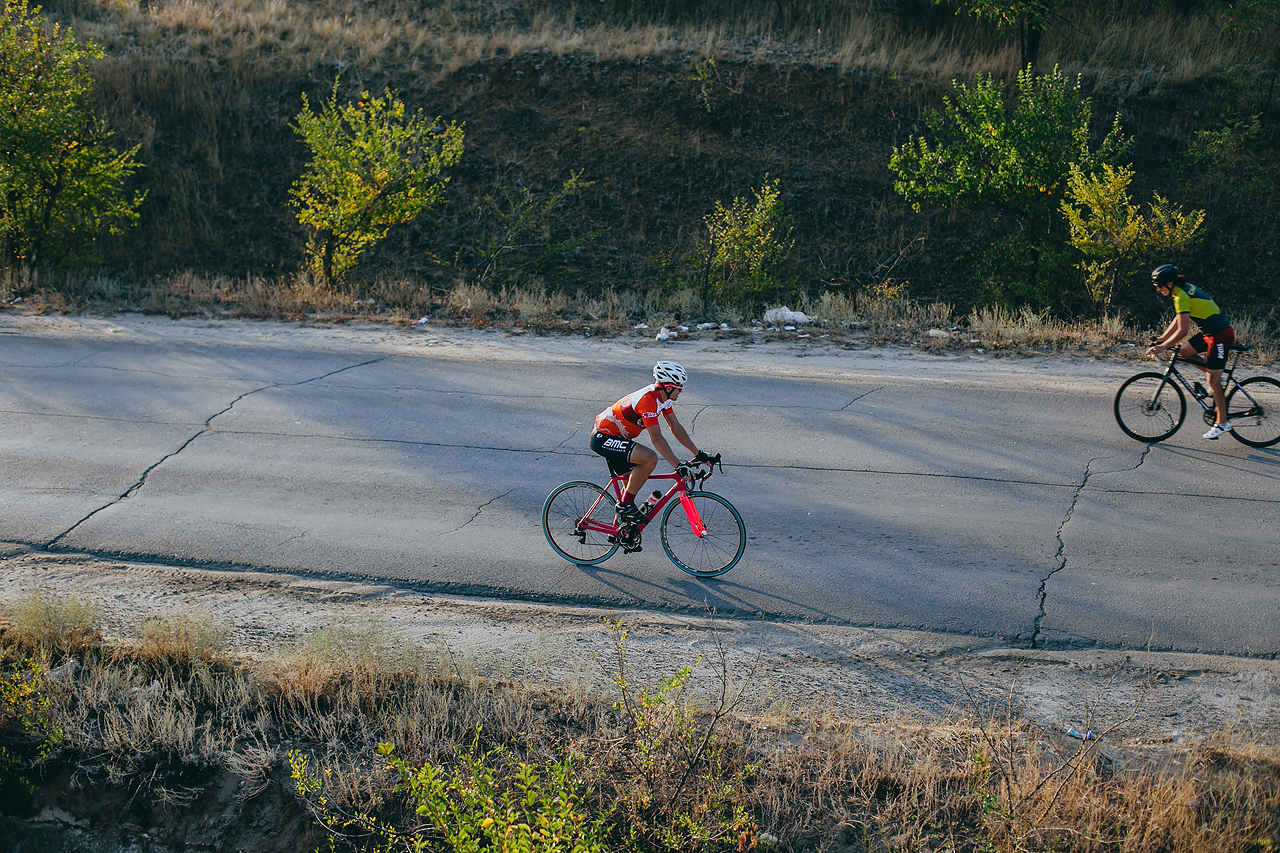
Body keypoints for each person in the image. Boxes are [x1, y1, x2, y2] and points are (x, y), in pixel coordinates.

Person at [590, 361, 706, 527]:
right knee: (650, 458)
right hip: (603, 437)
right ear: (668, 387)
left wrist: (698, 453)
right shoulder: (648, 400)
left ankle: (619, 532)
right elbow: (657, 438)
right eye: (679, 387)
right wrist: (677, 465)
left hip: (619, 439)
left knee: (630, 485)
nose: (681, 390)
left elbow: (676, 428)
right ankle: (625, 506)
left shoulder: (663, 399)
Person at [1147, 264, 1236, 439]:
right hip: (1210, 333)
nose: (1158, 290)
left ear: (1170, 283)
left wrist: (1163, 347)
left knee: (1213, 380)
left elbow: (1183, 331)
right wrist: (1163, 339)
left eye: (1159, 286)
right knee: (1184, 352)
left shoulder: (1181, 296)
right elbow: (1179, 319)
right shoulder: (1182, 291)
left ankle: (1223, 423)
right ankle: (1218, 377)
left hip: (1220, 336)